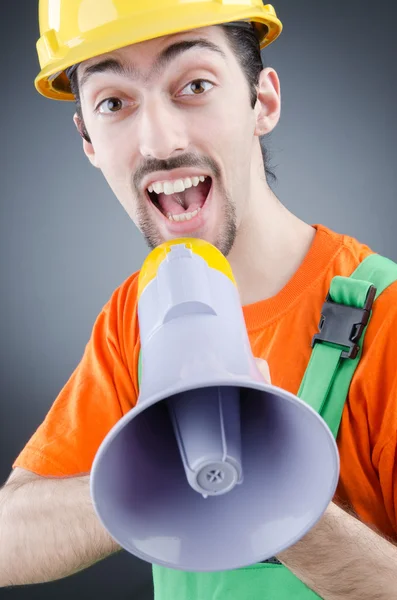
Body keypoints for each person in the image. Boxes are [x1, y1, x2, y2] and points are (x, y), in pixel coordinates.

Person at [0, 1, 396, 598]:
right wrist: (149, 476)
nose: (159, 141)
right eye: (113, 102)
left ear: (261, 102)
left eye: (194, 85)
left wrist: (271, 491)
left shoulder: (385, 316)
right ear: (87, 139)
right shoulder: (136, 314)